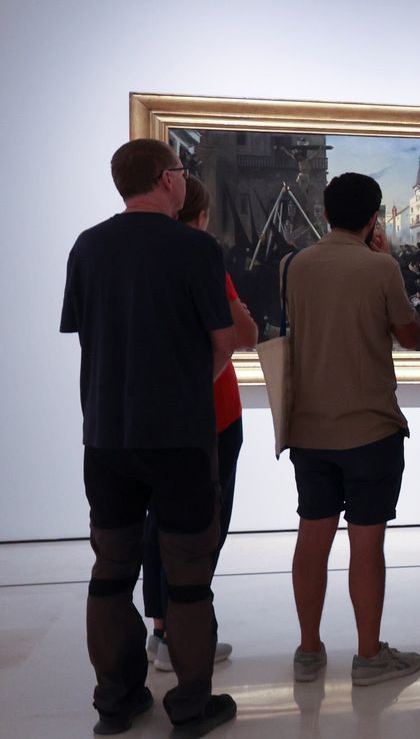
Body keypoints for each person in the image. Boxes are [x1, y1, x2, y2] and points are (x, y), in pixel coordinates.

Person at [63, 142, 237, 738]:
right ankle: (190, 705)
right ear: (168, 180)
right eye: (183, 173)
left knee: (111, 565)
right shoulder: (194, 248)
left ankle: (116, 700)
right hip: (181, 437)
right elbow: (224, 341)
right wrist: (190, 388)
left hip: (107, 433)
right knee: (187, 572)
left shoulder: (88, 246)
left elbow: (89, 333)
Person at [282, 172, 420, 687]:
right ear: (374, 217)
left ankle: (308, 649)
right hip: (370, 427)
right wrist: (387, 261)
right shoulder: (380, 267)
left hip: (309, 428)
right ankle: (368, 656)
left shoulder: (295, 265)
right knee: (366, 542)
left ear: (324, 214)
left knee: (311, 535)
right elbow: (411, 336)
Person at [140, 177, 257, 673]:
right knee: (204, 524)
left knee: (158, 521)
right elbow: (243, 334)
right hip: (211, 412)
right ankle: (185, 637)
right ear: (203, 216)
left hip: (152, 410)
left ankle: (162, 630)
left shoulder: (143, 259)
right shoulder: (201, 256)